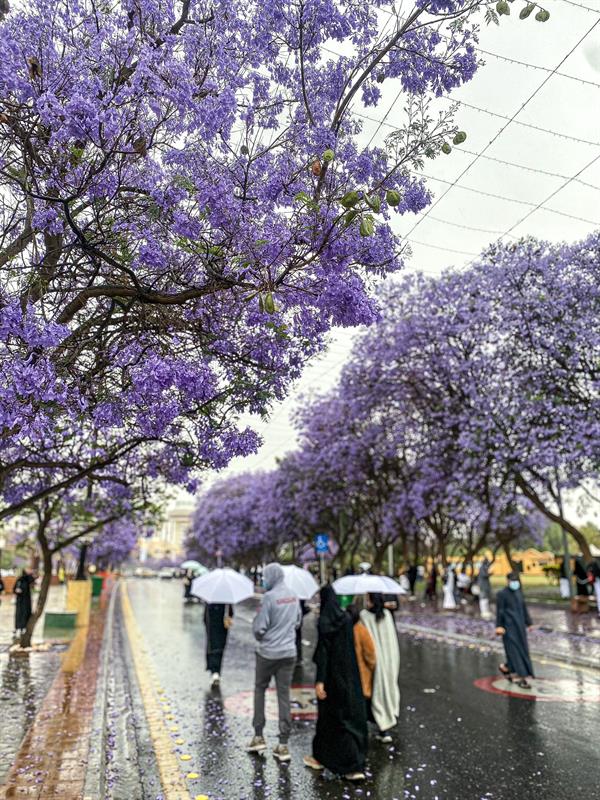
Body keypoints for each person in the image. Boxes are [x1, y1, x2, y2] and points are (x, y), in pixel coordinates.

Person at [303, 588, 368, 781]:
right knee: (349, 718)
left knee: (330, 721)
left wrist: (320, 681)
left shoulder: (324, 622)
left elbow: (324, 654)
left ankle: (324, 758)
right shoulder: (346, 620)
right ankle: (354, 763)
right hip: (349, 676)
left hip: (332, 679)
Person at [247, 563, 301, 762]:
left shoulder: (269, 598)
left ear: (272, 576)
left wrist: (261, 634)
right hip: (288, 653)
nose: (264, 580)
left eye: (265, 576)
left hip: (268, 653)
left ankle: (259, 736)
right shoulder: (294, 596)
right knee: (284, 695)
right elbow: (297, 622)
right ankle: (283, 744)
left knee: (260, 689)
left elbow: (260, 627)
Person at [360, 593, 400, 743]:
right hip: (389, 659)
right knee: (387, 691)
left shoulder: (364, 616)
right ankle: (385, 727)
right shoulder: (387, 615)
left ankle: (381, 728)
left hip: (375, 661)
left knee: (375, 694)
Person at [495, 572, 534, 688]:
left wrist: (529, 623)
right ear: (507, 581)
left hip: (520, 627)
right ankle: (521, 678)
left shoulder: (518, 593)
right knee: (514, 652)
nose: (514, 583)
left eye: (516, 580)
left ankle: (505, 667)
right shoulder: (502, 594)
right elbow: (500, 611)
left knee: (522, 650)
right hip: (508, 627)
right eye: (512, 580)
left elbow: (524, 608)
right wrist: (499, 625)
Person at [204, 602, 233, 687]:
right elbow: (231, 612)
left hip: (213, 624)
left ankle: (214, 671)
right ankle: (216, 671)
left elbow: (205, 617)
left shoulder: (210, 600)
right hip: (222, 624)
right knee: (220, 647)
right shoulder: (227, 599)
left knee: (213, 646)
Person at [14, 568, 35, 639]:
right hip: (19, 602)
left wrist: (30, 573)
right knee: (19, 615)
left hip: (26, 601)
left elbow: (32, 579)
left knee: (25, 614)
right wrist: (16, 591)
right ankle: (18, 629)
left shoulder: (27, 580)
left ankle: (24, 628)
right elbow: (14, 589)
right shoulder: (19, 580)